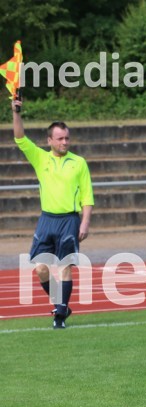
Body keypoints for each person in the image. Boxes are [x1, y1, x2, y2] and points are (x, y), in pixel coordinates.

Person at [12, 96, 94, 329]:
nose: (64, 142)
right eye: (60, 138)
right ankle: (62, 304)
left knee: (65, 266)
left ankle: (59, 315)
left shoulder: (79, 163)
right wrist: (16, 113)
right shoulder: (40, 158)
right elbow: (19, 138)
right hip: (47, 220)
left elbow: (88, 197)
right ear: (49, 140)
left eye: (67, 138)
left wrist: (85, 223)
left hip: (69, 220)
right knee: (41, 268)